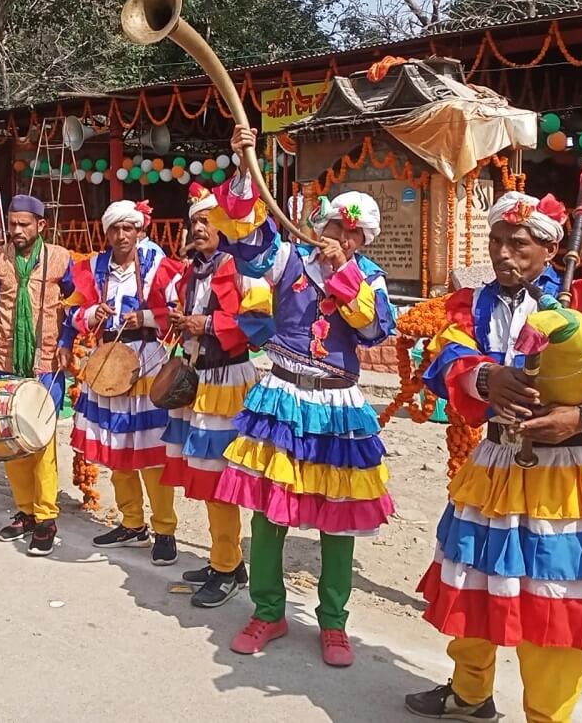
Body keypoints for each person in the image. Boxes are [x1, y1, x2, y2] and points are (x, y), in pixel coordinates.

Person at [405, 191, 582, 723]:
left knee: (553, 603)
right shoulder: (474, 303)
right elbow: (442, 355)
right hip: (494, 464)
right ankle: (469, 695)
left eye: (520, 243)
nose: (504, 254)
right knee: (473, 583)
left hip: (568, 475)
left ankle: (547, 716)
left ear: (551, 251)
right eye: (496, 241)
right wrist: (485, 377)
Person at [211, 126, 396, 667]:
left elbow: (372, 331)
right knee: (270, 510)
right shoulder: (287, 259)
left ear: (365, 241)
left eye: (354, 234)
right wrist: (246, 167)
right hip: (283, 395)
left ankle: (334, 623)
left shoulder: (370, 278)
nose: (343, 237)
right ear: (322, 224)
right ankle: (267, 610)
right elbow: (244, 244)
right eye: (337, 225)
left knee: (339, 514)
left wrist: (343, 272)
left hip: (338, 404)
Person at [161, 183, 272, 606]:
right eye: (194, 221)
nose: (199, 227)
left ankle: (226, 568)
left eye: (206, 220)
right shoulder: (192, 271)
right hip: (199, 383)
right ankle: (226, 559)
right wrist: (181, 322)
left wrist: (205, 325)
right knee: (207, 478)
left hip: (228, 383)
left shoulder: (245, 270)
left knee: (219, 479)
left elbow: (261, 327)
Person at [68, 199, 181, 565]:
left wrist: (146, 316)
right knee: (117, 449)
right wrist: (89, 313)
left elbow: (179, 311)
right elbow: (69, 309)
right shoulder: (93, 268)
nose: (121, 236)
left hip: (146, 363)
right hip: (108, 365)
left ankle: (165, 529)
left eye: (127, 228)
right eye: (115, 229)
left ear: (138, 231)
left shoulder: (159, 266)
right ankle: (132, 522)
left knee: (152, 453)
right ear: (107, 233)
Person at [0, 194, 76, 558]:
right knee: (10, 439)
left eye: (24, 225)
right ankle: (25, 511)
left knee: (41, 439)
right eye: (12, 224)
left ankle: (46, 517)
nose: (16, 230)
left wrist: (67, 341)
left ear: (41, 226)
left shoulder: (62, 258)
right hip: (5, 361)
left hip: (46, 362)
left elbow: (76, 307)